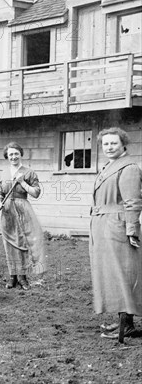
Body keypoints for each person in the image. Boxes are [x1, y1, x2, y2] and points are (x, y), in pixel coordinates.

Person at [90, 127, 142, 343]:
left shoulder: (129, 167)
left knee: (123, 273)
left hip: (117, 226)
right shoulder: (109, 166)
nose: (109, 147)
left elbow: (133, 202)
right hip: (103, 226)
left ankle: (127, 325)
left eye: (113, 143)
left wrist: (132, 230)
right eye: (105, 144)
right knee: (112, 274)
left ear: (123, 144)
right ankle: (123, 320)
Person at [0, 142, 47, 290]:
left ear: (20, 154)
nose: (13, 157)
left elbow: (36, 193)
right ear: (7, 156)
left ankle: (23, 277)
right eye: (10, 154)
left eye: (16, 153)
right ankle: (13, 277)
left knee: (23, 244)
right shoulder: (4, 173)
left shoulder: (29, 172)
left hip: (23, 210)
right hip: (7, 211)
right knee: (9, 243)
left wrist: (22, 182)